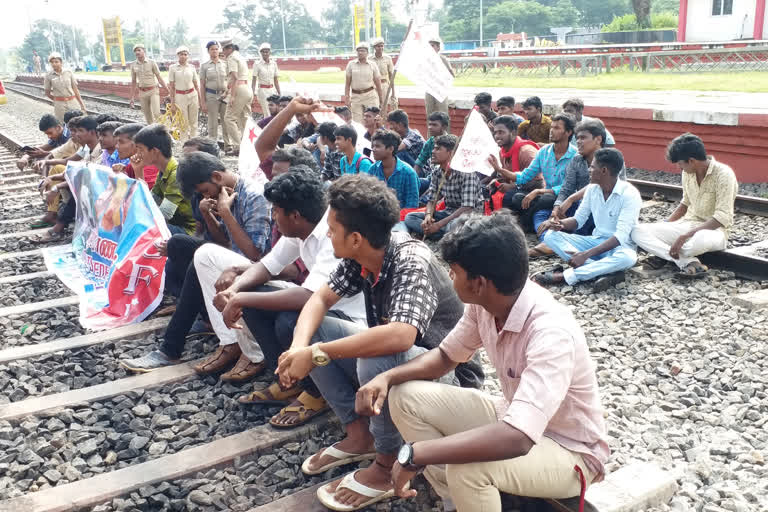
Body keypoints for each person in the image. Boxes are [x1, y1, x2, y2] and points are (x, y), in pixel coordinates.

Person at [357, 212, 609, 512]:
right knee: (404, 396)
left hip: (570, 452)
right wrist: (386, 378)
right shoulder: (486, 305)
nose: (450, 278)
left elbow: (518, 439)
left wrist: (416, 453)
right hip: (512, 417)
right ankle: (458, 500)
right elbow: (445, 357)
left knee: (469, 469)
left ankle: (471, 491)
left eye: (453, 272)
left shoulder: (550, 331)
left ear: (478, 283)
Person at [275, 174, 482, 511]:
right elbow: (318, 300)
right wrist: (301, 347)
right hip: (406, 363)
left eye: (332, 228)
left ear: (356, 238)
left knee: (379, 354)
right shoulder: (361, 257)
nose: (328, 234)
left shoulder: (410, 259)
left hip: (449, 376)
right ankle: (361, 434)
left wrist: (317, 353)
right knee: (315, 330)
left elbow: (402, 335)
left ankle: (387, 466)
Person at [212, 170, 366, 428]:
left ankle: (317, 393)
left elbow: (308, 296)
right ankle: (289, 381)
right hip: (321, 306)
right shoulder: (300, 230)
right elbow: (268, 265)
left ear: (294, 216)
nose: (273, 217)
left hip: (349, 320)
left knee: (287, 321)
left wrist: (240, 299)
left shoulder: (332, 236)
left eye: (276, 211)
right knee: (254, 299)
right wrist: (235, 290)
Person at [121, 151, 272, 376]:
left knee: (196, 252)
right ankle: (211, 335)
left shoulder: (253, 196)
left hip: (255, 269)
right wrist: (209, 215)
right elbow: (223, 240)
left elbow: (253, 254)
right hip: (233, 259)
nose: (205, 195)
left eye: (204, 191)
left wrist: (224, 212)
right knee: (182, 246)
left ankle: (173, 348)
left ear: (217, 177)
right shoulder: (225, 193)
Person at [631, 133, 738, 279]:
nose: (679, 168)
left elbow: (722, 217)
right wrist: (666, 225)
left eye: (680, 164)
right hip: (687, 225)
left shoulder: (724, 174)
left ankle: (666, 254)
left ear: (692, 161)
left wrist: (686, 236)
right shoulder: (688, 173)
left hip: (714, 232)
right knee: (637, 231)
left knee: (696, 242)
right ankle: (686, 261)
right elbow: (685, 203)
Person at [536, 148, 641, 291]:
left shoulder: (629, 194)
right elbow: (578, 220)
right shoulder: (592, 189)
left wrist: (585, 255)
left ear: (604, 170)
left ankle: (566, 276)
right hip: (595, 241)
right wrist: (559, 224)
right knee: (550, 236)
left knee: (629, 258)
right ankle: (603, 271)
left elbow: (620, 237)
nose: (589, 170)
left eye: (592, 166)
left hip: (619, 247)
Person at [532, 118, 606, 258]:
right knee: (542, 215)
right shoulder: (577, 160)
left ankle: (561, 243)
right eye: (577, 138)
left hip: (600, 210)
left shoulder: (610, 158)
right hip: (580, 207)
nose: (578, 141)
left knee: (585, 212)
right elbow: (567, 187)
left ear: (598, 139)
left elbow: (601, 186)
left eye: (583, 138)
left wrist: (572, 198)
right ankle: (548, 243)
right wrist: (556, 209)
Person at [501, 113, 577, 232]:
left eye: (557, 128)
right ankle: (527, 224)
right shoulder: (544, 151)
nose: (551, 131)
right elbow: (525, 176)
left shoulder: (575, 156)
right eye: (552, 127)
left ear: (568, 132)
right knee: (516, 197)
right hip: (544, 196)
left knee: (545, 198)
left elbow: (569, 187)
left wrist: (539, 191)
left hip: (565, 199)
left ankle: (523, 225)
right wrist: (500, 170)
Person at [403, 134, 482, 240]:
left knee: (455, 225)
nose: (433, 152)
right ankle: (442, 235)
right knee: (411, 218)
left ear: (450, 153)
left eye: (438, 149)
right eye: (434, 148)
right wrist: (428, 216)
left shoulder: (467, 173)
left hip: (468, 216)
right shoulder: (437, 171)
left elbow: (467, 207)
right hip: (448, 213)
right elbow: (432, 200)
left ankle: (439, 233)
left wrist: (438, 225)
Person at [39, 115, 102, 243]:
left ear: (92, 133)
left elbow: (85, 176)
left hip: (100, 191)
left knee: (82, 189)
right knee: (77, 184)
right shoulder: (86, 147)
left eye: (80, 131)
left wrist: (56, 187)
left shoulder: (101, 150)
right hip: (91, 184)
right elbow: (73, 167)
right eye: (75, 131)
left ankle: (59, 227)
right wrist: (51, 177)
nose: (76, 135)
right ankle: (60, 222)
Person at [133, 124, 196, 235]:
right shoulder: (163, 171)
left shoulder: (176, 174)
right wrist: (138, 170)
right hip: (174, 224)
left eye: (141, 149)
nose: (138, 154)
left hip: (188, 230)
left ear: (154, 151)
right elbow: (150, 201)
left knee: (144, 226)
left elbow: (164, 215)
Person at [486, 116, 540, 208]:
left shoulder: (526, 152)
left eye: (501, 132)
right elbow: (508, 178)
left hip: (534, 194)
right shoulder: (502, 151)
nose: (497, 136)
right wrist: (497, 181)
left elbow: (538, 182)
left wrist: (514, 187)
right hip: (517, 189)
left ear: (513, 133)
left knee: (509, 196)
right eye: (495, 133)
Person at [368, 129, 420, 209]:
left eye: (377, 146)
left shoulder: (408, 173)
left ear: (391, 149)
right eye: (373, 146)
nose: (373, 149)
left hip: (401, 218)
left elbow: (412, 205)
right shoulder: (373, 169)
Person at [221, 39, 254, 156]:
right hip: (247, 88)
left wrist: (232, 96)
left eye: (223, 49)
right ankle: (250, 144)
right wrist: (227, 92)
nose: (223, 52)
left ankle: (238, 146)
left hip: (239, 89)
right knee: (244, 118)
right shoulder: (239, 56)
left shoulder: (231, 58)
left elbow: (235, 77)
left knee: (229, 118)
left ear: (228, 49)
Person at [200, 41, 232, 149]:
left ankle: (228, 145)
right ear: (208, 51)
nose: (214, 51)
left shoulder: (225, 64)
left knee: (226, 121)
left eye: (216, 49)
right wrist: (203, 102)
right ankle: (212, 146)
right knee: (212, 122)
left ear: (219, 50)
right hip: (211, 96)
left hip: (224, 96)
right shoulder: (204, 66)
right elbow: (202, 85)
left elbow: (230, 80)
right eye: (212, 49)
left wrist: (227, 92)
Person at [168, 46, 202, 143]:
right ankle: (185, 143)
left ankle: (195, 142)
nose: (183, 56)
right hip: (180, 96)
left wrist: (200, 99)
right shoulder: (172, 68)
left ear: (188, 56)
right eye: (181, 54)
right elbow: (171, 86)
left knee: (194, 121)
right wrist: (172, 103)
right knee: (183, 122)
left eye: (185, 54)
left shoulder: (192, 67)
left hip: (192, 95)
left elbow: (196, 84)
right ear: (178, 55)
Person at [413, 111, 450, 199]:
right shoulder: (430, 142)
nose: (430, 127)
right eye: (429, 124)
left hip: (443, 181)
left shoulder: (450, 143)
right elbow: (419, 163)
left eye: (434, 125)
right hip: (430, 178)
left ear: (444, 127)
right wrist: (412, 179)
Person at [112, 123, 159, 189]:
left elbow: (146, 196)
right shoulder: (131, 165)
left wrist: (138, 171)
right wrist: (121, 174)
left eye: (121, 142)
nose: (116, 146)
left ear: (136, 144)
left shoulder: (150, 167)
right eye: (117, 142)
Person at [344, 43, 383, 123]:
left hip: (370, 96)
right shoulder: (351, 64)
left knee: (373, 120)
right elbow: (347, 83)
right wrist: (347, 97)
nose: (360, 53)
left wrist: (381, 98)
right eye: (358, 51)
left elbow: (378, 82)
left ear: (367, 53)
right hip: (356, 97)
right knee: (357, 122)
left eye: (362, 51)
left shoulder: (373, 65)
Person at [129, 44, 168, 124]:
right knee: (147, 116)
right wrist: (132, 97)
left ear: (144, 51)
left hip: (153, 91)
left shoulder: (152, 63)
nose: (137, 52)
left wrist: (168, 91)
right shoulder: (133, 65)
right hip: (142, 93)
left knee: (156, 113)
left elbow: (159, 78)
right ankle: (152, 134)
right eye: (135, 51)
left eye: (139, 50)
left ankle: (165, 130)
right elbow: (133, 82)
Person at [44, 52, 87, 121]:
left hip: (73, 101)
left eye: (56, 62)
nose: (54, 64)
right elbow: (47, 93)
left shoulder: (68, 72)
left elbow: (75, 89)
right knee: (62, 123)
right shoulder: (48, 75)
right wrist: (57, 100)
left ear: (61, 62)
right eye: (52, 62)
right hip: (59, 105)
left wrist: (82, 104)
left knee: (78, 121)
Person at [424, 37, 454, 128]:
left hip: (441, 90)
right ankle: (431, 138)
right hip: (429, 89)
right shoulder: (426, 60)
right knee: (430, 115)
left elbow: (451, 74)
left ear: (438, 48)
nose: (431, 48)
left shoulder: (443, 59)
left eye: (433, 46)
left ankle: (446, 137)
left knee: (443, 114)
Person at [252, 43, 281, 117]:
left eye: (267, 51)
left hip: (272, 90)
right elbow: (254, 80)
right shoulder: (257, 64)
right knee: (267, 112)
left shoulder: (274, 64)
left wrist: (279, 93)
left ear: (269, 52)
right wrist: (252, 94)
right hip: (263, 91)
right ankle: (268, 127)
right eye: (263, 52)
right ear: (260, 53)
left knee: (275, 111)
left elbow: (276, 80)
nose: (265, 53)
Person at [371, 37, 397, 112]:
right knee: (373, 108)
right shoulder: (369, 59)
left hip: (384, 85)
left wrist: (393, 93)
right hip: (373, 86)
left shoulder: (388, 58)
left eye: (382, 46)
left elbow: (391, 76)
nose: (380, 48)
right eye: (378, 46)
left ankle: (382, 123)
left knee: (383, 108)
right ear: (374, 47)